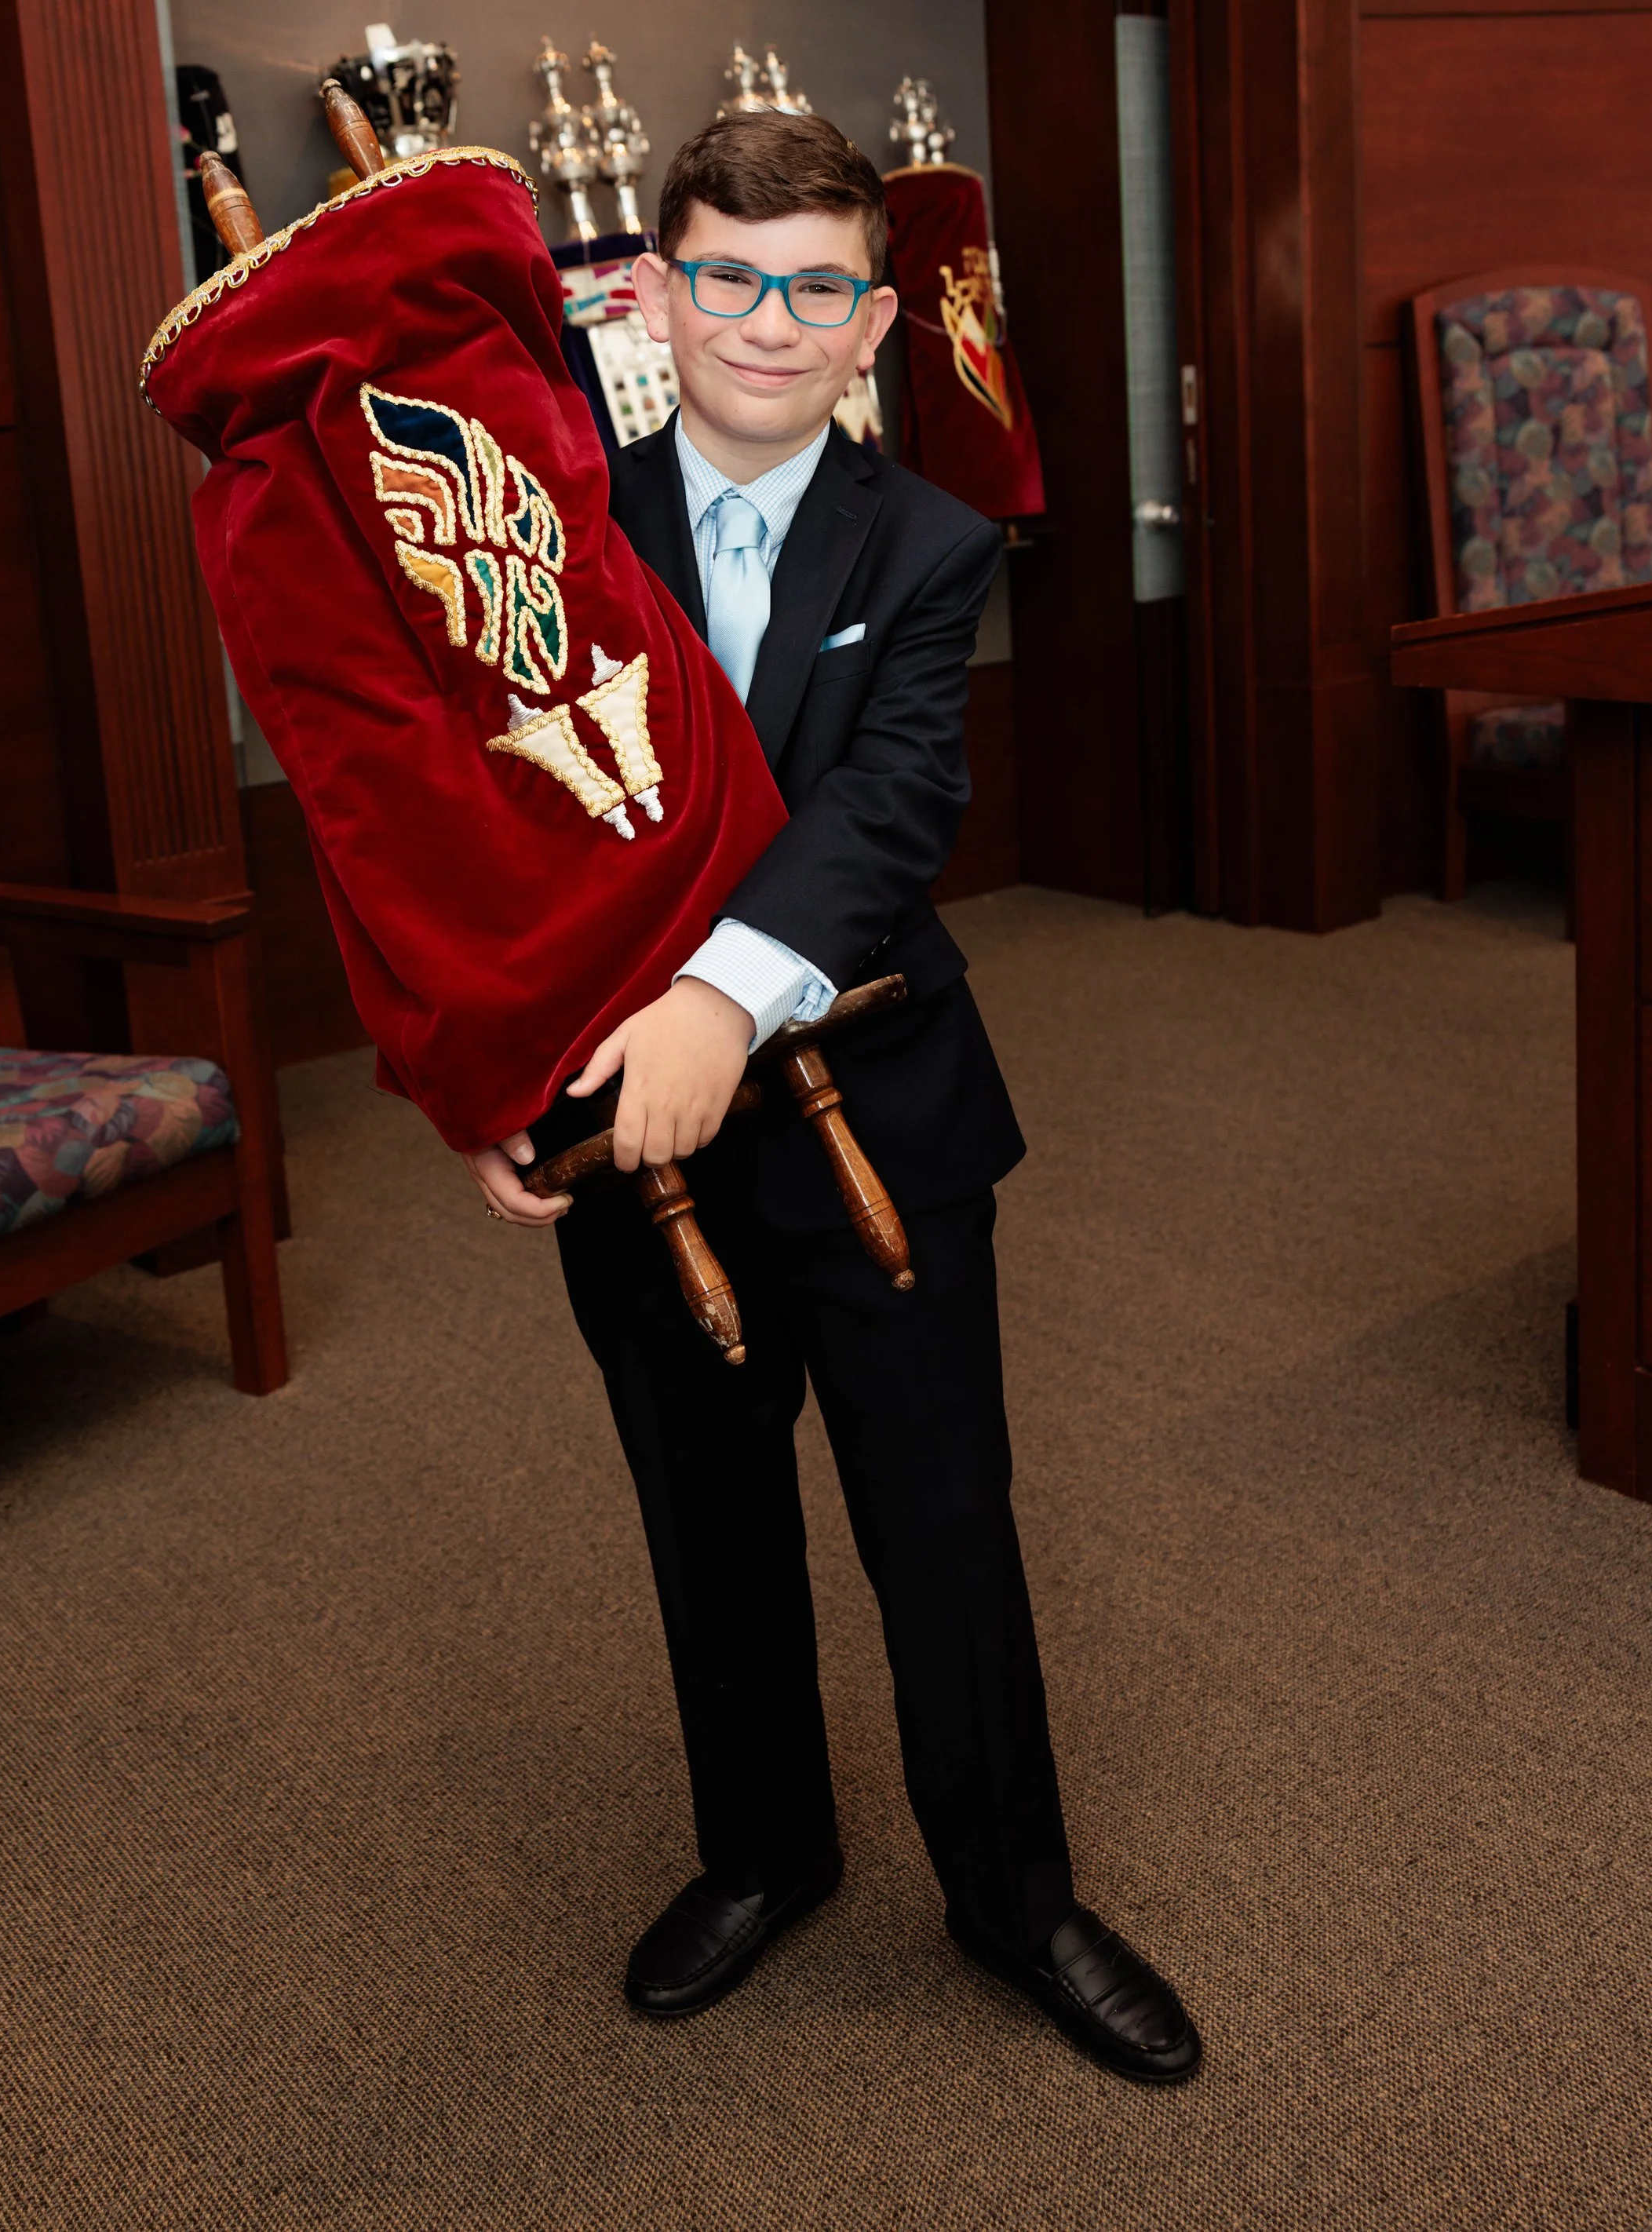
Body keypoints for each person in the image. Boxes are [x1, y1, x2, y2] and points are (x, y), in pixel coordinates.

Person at [464, 113, 1199, 2086]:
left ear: (874, 318)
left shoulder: (932, 540)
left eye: (811, 287)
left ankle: (1012, 1894)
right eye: (723, 274)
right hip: (627, 1128)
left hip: (879, 1109)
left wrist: (718, 994)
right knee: (704, 1513)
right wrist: (485, 1062)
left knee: (941, 1517)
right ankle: (762, 1852)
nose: (763, 321)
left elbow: (887, 812)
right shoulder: (545, 531)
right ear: (649, 289)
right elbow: (480, 829)